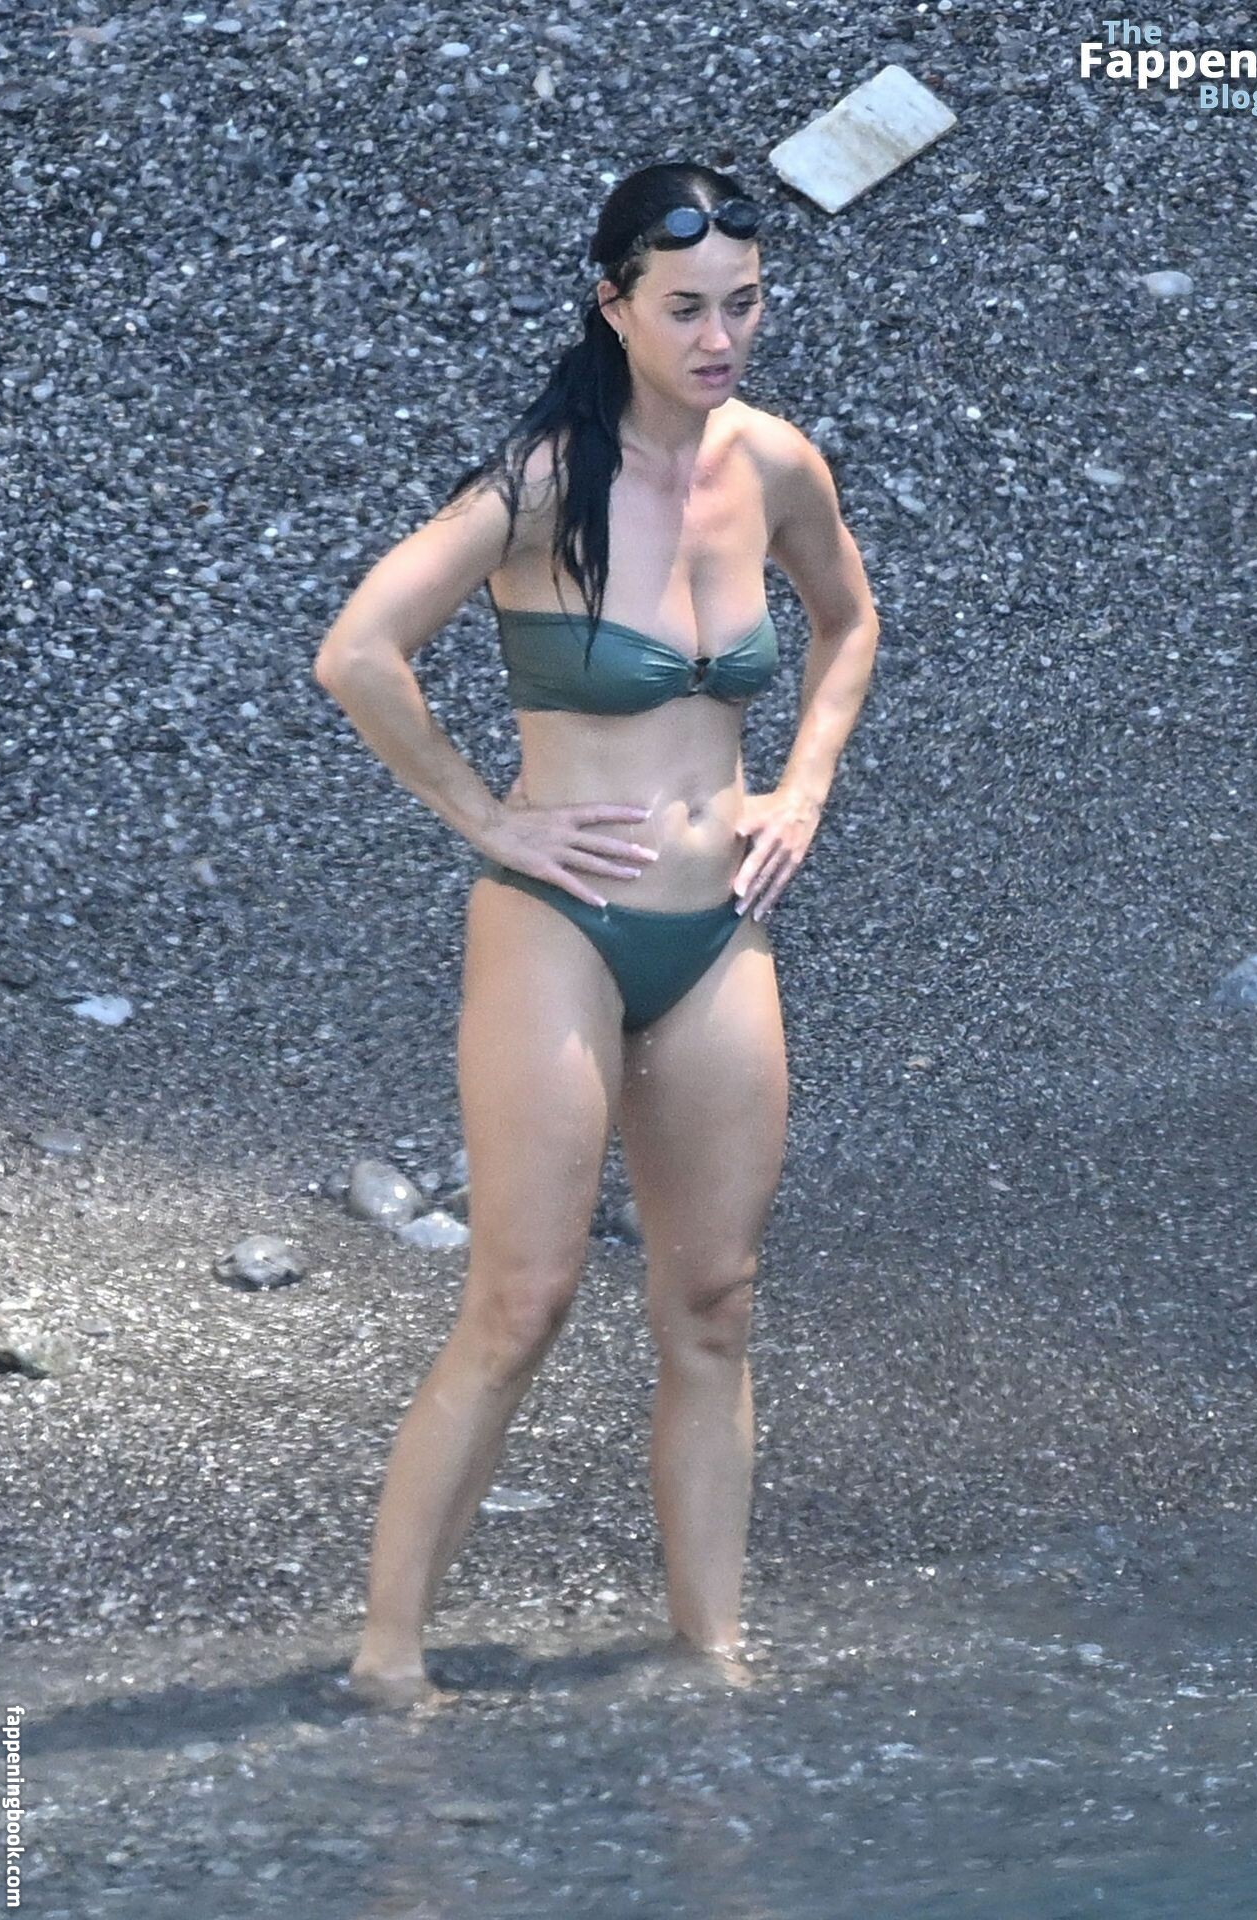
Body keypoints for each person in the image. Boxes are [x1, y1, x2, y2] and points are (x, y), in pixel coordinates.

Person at [312, 160, 879, 1709]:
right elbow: (358, 651)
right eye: (684, 309)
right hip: (557, 922)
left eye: (742, 306)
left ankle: (712, 1653)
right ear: (613, 308)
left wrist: (803, 787)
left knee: (714, 1303)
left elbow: (847, 622)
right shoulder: (542, 482)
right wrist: (484, 819)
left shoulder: (773, 463)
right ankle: (388, 1662)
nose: (719, 338)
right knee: (522, 1299)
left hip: (718, 934)